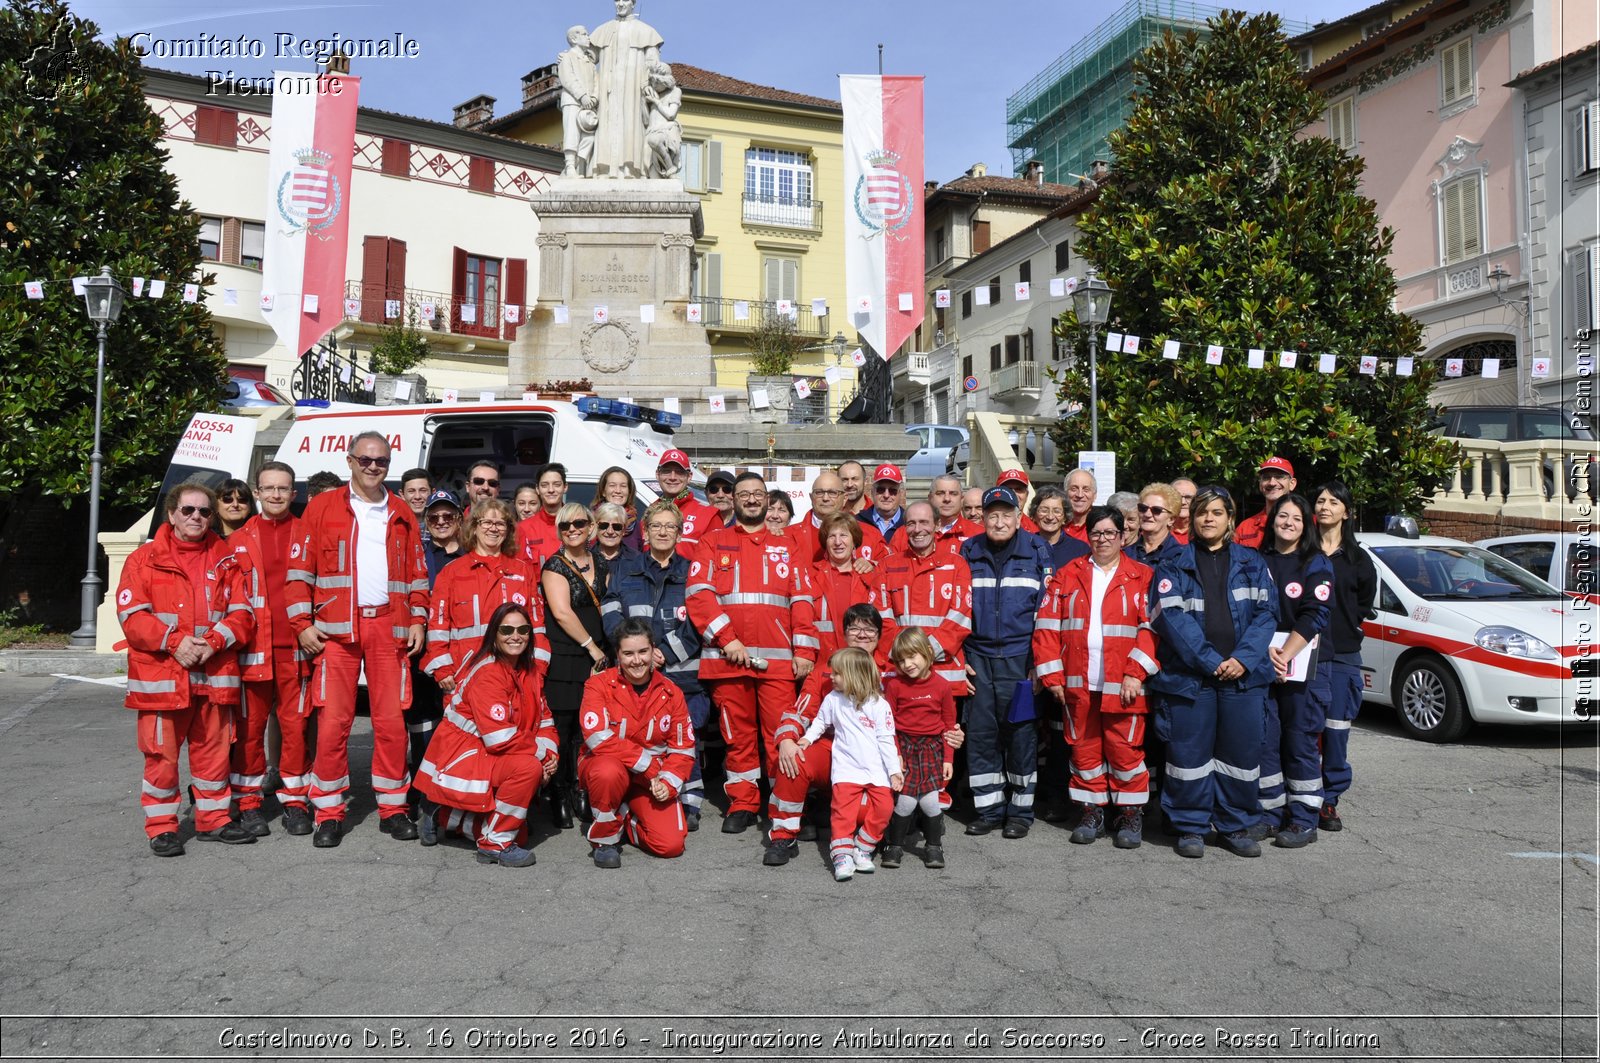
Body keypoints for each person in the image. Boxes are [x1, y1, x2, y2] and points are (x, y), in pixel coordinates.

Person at [289, 432, 429, 848]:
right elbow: (299, 574)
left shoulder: (401, 509)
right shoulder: (321, 507)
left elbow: (418, 575)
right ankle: (328, 811)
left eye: (381, 461)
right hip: (335, 630)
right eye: (365, 460)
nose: (373, 468)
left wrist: (418, 618)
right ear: (349, 461)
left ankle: (393, 807)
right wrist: (302, 624)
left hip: (390, 627)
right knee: (333, 723)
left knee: (390, 723)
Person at [117, 482, 257, 855]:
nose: (197, 517)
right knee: (161, 756)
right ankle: (162, 827)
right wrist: (175, 642)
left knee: (212, 752)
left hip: (212, 674)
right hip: (163, 676)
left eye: (204, 511)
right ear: (172, 514)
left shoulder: (226, 558)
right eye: (188, 510)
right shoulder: (142, 560)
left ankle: (213, 820)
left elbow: (243, 614)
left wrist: (211, 643)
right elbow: (132, 617)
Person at [1148, 485, 1278, 859]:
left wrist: (1242, 659)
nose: (1209, 519)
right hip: (1191, 679)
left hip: (1244, 678)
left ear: (1229, 519)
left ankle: (1235, 825)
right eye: (1203, 512)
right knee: (1189, 759)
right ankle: (1190, 826)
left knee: (1240, 757)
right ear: (1192, 519)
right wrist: (1210, 661)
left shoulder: (1252, 562)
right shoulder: (1172, 565)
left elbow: (1268, 614)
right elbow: (1172, 620)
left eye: (1217, 512)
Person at [687, 471, 816, 834]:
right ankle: (743, 803)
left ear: (767, 499)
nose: (751, 499)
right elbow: (699, 593)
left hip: (777, 664)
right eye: (744, 494)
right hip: (729, 660)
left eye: (758, 494)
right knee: (737, 737)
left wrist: (805, 649)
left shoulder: (789, 545)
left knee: (782, 737)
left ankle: (786, 808)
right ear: (735, 500)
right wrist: (727, 639)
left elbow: (803, 600)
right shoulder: (712, 542)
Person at [1034, 505, 1159, 849]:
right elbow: (1046, 627)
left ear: (1122, 536)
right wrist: (1052, 676)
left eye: (1109, 533)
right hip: (1078, 682)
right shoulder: (1067, 574)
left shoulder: (1142, 576)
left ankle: (1130, 815)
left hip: (1124, 684)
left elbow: (1152, 630)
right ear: (1086, 536)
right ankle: (1092, 812)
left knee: (1125, 751)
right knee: (1084, 751)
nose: (1102, 539)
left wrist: (1136, 673)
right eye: (1096, 533)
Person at [414, 602, 558, 867]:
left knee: (522, 832)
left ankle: (444, 812)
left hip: (494, 751)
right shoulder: (489, 672)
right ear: (494, 634)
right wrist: (540, 755)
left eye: (523, 629)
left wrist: (551, 754)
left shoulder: (530, 671)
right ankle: (493, 843)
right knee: (528, 769)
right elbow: (499, 738)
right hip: (464, 754)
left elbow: (545, 719)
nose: (516, 636)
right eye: (507, 629)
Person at [602, 499, 708, 829]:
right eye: (656, 526)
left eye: (670, 527)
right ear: (645, 532)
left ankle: (689, 800)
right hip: (636, 674)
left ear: (679, 532)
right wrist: (639, 651)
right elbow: (610, 612)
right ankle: (644, 795)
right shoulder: (623, 569)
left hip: (682, 677)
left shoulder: (692, 571)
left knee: (683, 733)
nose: (663, 532)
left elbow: (699, 620)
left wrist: (665, 651)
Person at [959, 486, 1054, 839]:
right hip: (979, 659)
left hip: (1020, 659)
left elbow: (1046, 612)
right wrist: (960, 658)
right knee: (982, 735)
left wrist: (1038, 662)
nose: (999, 521)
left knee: (1020, 736)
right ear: (983, 519)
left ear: (1018, 517)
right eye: (992, 515)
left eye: (1006, 515)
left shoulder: (1036, 550)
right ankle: (988, 809)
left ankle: (1020, 811)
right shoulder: (969, 550)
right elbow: (957, 608)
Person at [228, 461, 309, 836]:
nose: (276, 495)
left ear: (294, 494)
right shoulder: (238, 540)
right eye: (268, 488)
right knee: (250, 730)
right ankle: (248, 804)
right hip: (253, 651)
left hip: (297, 650)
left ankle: (295, 802)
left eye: (283, 488)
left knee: (295, 729)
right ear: (256, 493)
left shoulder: (308, 534)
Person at [766, 604, 882, 866]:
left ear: (879, 634)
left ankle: (881, 830)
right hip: (833, 749)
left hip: (874, 756)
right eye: (854, 628)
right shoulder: (826, 670)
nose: (862, 634)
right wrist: (786, 739)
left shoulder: (891, 669)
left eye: (869, 629)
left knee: (866, 815)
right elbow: (800, 711)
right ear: (844, 633)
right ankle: (783, 835)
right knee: (792, 759)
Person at [578, 619, 696, 867]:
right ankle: (605, 840)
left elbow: (683, 749)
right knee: (607, 770)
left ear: (653, 650)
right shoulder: (597, 685)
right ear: (617, 655)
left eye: (643, 651)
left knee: (670, 846)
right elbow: (597, 737)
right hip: (612, 771)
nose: (637, 660)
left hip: (651, 781)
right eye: (628, 654)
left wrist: (667, 782)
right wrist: (649, 766)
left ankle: (623, 817)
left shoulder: (672, 692)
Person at [1254, 493, 1333, 849]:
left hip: (1303, 665)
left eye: (1297, 518)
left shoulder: (1315, 562)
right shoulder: (1256, 560)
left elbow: (1315, 613)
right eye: (1282, 516)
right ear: (1272, 521)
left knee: (1300, 741)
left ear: (1307, 526)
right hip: (1262, 662)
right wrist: (1265, 653)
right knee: (1266, 742)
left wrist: (1284, 655)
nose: (1288, 522)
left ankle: (1303, 818)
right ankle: (1270, 814)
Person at [796, 647, 903, 880]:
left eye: (837, 674)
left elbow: (886, 740)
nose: (831, 677)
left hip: (877, 770)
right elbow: (820, 722)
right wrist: (807, 738)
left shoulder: (879, 704)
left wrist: (894, 771)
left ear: (855, 674)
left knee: (884, 809)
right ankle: (841, 856)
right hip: (846, 769)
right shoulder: (833, 699)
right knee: (843, 814)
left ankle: (863, 847)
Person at [423, 498, 548, 696]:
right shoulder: (451, 572)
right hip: (464, 673)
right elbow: (438, 625)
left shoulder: (522, 571)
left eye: (500, 523)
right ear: (474, 527)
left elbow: (537, 624)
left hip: (514, 672)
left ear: (508, 530)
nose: (493, 528)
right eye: (487, 522)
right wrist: (442, 667)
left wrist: (537, 668)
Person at [540, 501, 611, 829]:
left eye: (579, 524)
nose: (572, 530)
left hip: (599, 657)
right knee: (563, 728)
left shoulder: (599, 559)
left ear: (590, 526)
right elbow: (562, 613)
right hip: (568, 655)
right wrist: (592, 648)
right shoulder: (554, 566)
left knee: (588, 729)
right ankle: (558, 792)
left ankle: (583, 788)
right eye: (565, 525)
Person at [1313, 480, 1377, 834]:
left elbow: (1364, 602)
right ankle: (1300, 795)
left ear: (1346, 512)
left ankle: (1329, 799)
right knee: (1302, 730)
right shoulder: (1303, 551)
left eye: (1333, 501)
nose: (1325, 506)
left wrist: (1348, 626)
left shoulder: (1358, 559)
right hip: (1304, 652)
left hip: (1343, 654)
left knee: (1336, 729)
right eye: (1320, 500)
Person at [875, 502, 972, 695]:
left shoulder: (957, 564)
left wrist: (923, 655)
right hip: (899, 673)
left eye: (924, 522)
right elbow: (880, 620)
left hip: (943, 675)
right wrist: (908, 658)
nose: (917, 529)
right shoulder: (887, 565)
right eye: (911, 523)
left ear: (936, 525)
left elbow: (960, 619)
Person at [880, 628, 958, 869]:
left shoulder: (943, 686)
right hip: (905, 747)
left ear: (927, 652)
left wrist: (948, 758)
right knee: (905, 802)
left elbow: (949, 727)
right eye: (901, 660)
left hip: (931, 750)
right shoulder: (894, 686)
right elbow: (888, 724)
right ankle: (895, 845)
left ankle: (934, 846)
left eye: (912, 656)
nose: (907, 664)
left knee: (930, 802)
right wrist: (897, 754)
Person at [796, 513, 884, 676]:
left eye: (843, 535)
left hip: (861, 667)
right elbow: (801, 621)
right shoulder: (809, 576)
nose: (838, 542)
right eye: (832, 536)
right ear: (825, 541)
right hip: (822, 667)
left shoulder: (871, 577)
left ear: (854, 541)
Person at [588, 0, 663, 179]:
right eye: (617, 0)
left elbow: (653, 63)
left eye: (625, 0)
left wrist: (651, 80)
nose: (620, 4)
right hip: (609, 88)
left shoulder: (646, 31)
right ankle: (604, 169)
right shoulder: (603, 30)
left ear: (633, 3)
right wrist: (569, 57)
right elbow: (587, 59)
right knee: (606, 123)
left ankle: (631, 168)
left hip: (633, 89)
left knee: (631, 122)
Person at [789, 471, 890, 568]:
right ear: (811, 497)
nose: (825, 498)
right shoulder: (788, 536)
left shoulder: (870, 534)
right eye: (819, 492)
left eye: (832, 493)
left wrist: (872, 565)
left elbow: (890, 566)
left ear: (845, 498)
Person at [892, 474, 979, 557]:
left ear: (961, 499)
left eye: (953, 493)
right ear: (930, 498)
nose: (947, 499)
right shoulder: (904, 533)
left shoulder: (978, 534)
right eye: (940, 493)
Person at [655, 449, 720, 557]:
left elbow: (719, 561)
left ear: (689, 476)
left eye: (679, 472)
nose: (672, 477)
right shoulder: (649, 512)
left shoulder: (709, 515)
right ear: (658, 474)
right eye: (666, 471)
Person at [556, 24, 598, 177]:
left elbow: (596, 82)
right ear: (574, 39)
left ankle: (580, 166)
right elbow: (568, 78)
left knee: (589, 136)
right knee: (572, 133)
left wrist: (593, 97)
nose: (588, 37)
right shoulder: (566, 57)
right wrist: (582, 96)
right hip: (573, 101)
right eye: (585, 34)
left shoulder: (590, 63)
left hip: (589, 105)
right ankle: (570, 166)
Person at [1234, 457, 1297, 549]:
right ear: (1260, 484)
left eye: (1279, 477)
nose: (1272, 483)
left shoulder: (1309, 522)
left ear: (1292, 484)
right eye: (1266, 477)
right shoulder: (1245, 528)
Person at [517, 462, 568, 571]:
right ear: (537, 489)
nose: (551, 490)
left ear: (565, 487)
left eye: (557, 484)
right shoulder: (523, 529)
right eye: (544, 485)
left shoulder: (578, 524)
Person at [1030, 486, 1089, 570]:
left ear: (1065, 518)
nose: (1050, 517)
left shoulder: (1080, 550)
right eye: (1044, 510)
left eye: (1057, 511)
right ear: (1034, 515)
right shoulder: (1025, 546)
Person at [642, 60, 683, 179]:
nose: (654, 85)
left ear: (665, 82)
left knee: (654, 140)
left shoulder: (675, 91)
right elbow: (645, 120)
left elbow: (671, 114)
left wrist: (656, 102)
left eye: (656, 82)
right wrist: (643, 102)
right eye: (652, 82)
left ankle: (671, 169)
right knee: (652, 176)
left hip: (666, 130)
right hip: (651, 130)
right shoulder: (653, 93)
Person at [1127, 483, 1184, 568]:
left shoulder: (1182, 556)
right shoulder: (1124, 554)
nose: (1147, 514)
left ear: (1171, 519)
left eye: (1156, 510)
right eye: (1143, 508)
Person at [422, 490, 465, 582]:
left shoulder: (471, 553)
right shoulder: (420, 555)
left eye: (448, 516)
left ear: (459, 519)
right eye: (433, 517)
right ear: (426, 521)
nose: (440, 522)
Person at [598, 465, 643, 550]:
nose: (618, 491)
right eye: (612, 485)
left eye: (623, 486)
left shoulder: (638, 527)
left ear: (629, 491)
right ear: (603, 491)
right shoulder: (590, 522)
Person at [860, 463, 906, 540]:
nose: (886, 495)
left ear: (900, 493)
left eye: (892, 490)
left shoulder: (910, 523)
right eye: (881, 490)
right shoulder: (858, 522)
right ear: (872, 492)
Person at [594, 502, 639, 566]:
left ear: (624, 530)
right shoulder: (584, 558)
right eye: (604, 525)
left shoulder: (638, 560)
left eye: (617, 527)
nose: (610, 531)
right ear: (596, 527)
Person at [996, 469, 1039, 533]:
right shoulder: (985, 526)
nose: (1014, 494)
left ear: (1026, 495)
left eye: (1019, 489)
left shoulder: (1035, 529)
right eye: (1008, 489)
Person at [1063, 468, 1097, 542]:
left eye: (1086, 489)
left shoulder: (1101, 527)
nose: (1080, 495)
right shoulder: (1054, 524)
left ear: (1094, 496)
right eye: (1074, 489)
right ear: (1065, 493)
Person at [1170, 478, 1197, 544]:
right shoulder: (1156, 531)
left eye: (1188, 497)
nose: (1183, 502)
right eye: (1177, 497)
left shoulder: (1204, 531)